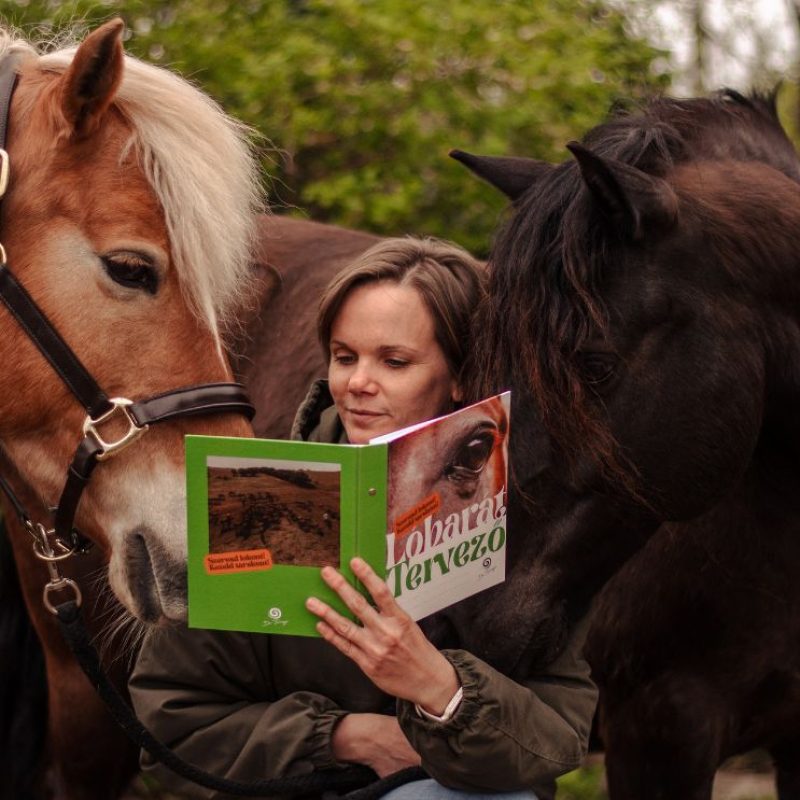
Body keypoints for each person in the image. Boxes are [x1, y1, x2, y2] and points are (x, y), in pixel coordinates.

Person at [129, 236, 597, 800]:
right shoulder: (257, 496)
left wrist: (441, 690)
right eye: (345, 356)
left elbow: (560, 735)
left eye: (394, 362)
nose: (356, 384)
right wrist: (348, 737)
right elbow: (173, 723)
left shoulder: (520, 517)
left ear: (462, 375)